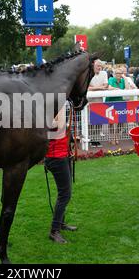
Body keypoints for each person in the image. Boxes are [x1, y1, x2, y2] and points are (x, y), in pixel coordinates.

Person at [45, 104, 77, 243]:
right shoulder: (50, 107)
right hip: (55, 157)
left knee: (64, 192)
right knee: (65, 194)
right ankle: (54, 230)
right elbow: (56, 128)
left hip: (62, 155)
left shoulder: (57, 106)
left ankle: (61, 223)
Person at [87, 59, 109, 147]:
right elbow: (87, 88)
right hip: (90, 100)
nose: (99, 68)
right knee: (90, 121)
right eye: (97, 66)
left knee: (99, 120)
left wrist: (94, 87)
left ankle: (95, 139)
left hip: (99, 100)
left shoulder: (104, 73)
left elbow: (106, 86)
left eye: (100, 66)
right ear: (93, 66)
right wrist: (100, 87)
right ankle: (90, 138)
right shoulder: (88, 73)